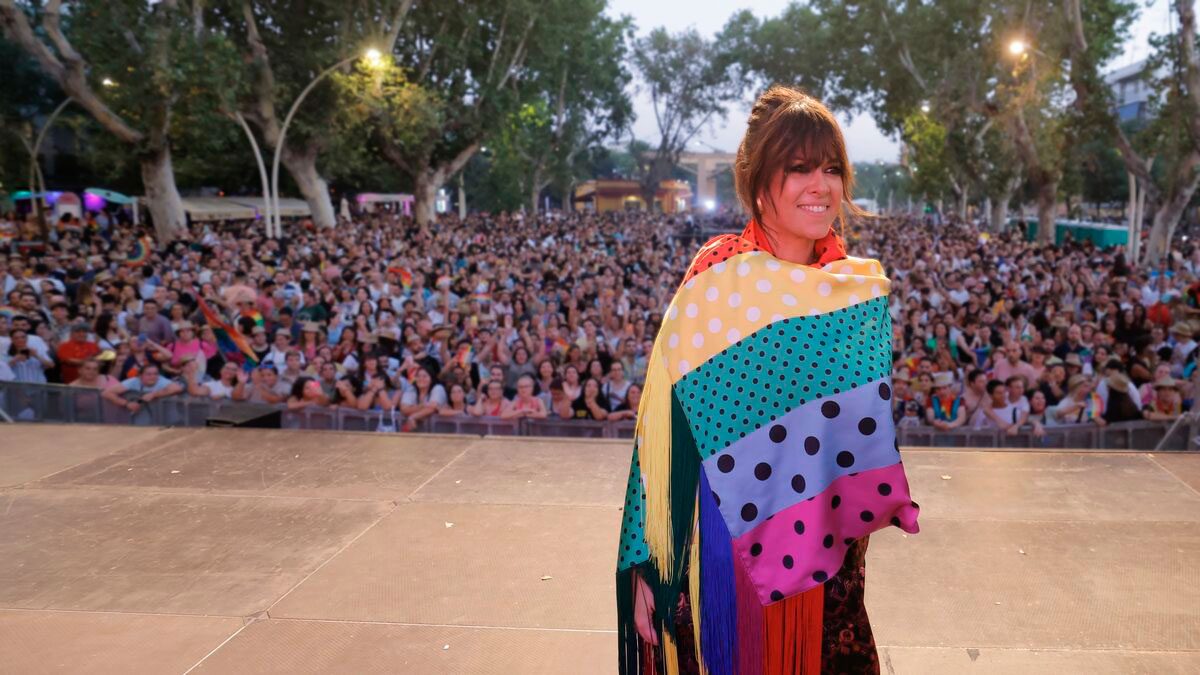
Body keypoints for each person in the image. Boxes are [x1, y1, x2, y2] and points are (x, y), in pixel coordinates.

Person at [618, 86, 919, 675]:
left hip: (828, 563)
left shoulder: (856, 291)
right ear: (760, 183)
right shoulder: (717, 275)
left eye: (832, 168)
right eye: (799, 168)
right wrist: (647, 560)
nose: (821, 185)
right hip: (723, 563)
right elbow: (664, 432)